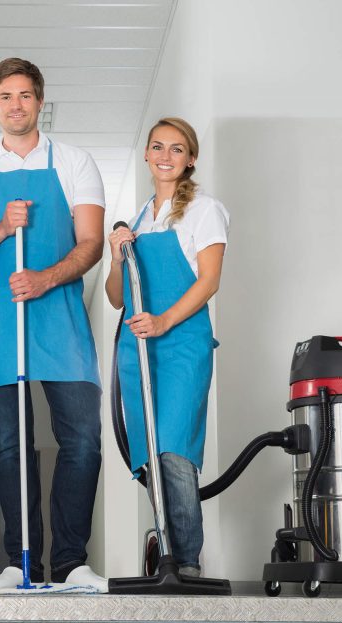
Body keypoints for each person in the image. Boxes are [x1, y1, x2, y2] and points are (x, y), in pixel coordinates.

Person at [0, 58, 106, 590]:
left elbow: (90, 245)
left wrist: (45, 279)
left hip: (58, 313)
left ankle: (69, 562)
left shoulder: (76, 162)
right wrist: (1, 226)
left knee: (82, 439)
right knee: (12, 446)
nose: (16, 105)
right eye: (6, 96)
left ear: (40, 102)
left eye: (25, 95)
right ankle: (21, 564)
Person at [105, 117, 229, 578]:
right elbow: (116, 296)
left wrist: (164, 321)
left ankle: (187, 564)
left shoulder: (204, 209)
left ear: (190, 158)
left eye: (177, 149)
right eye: (158, 147)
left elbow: (209, 280)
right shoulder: (136, 218)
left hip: (180, 345)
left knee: (175, 451)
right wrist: (116, 256)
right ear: (146, 154)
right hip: (137, 352)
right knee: (149, 456)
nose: (165, 156)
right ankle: (166, 547)